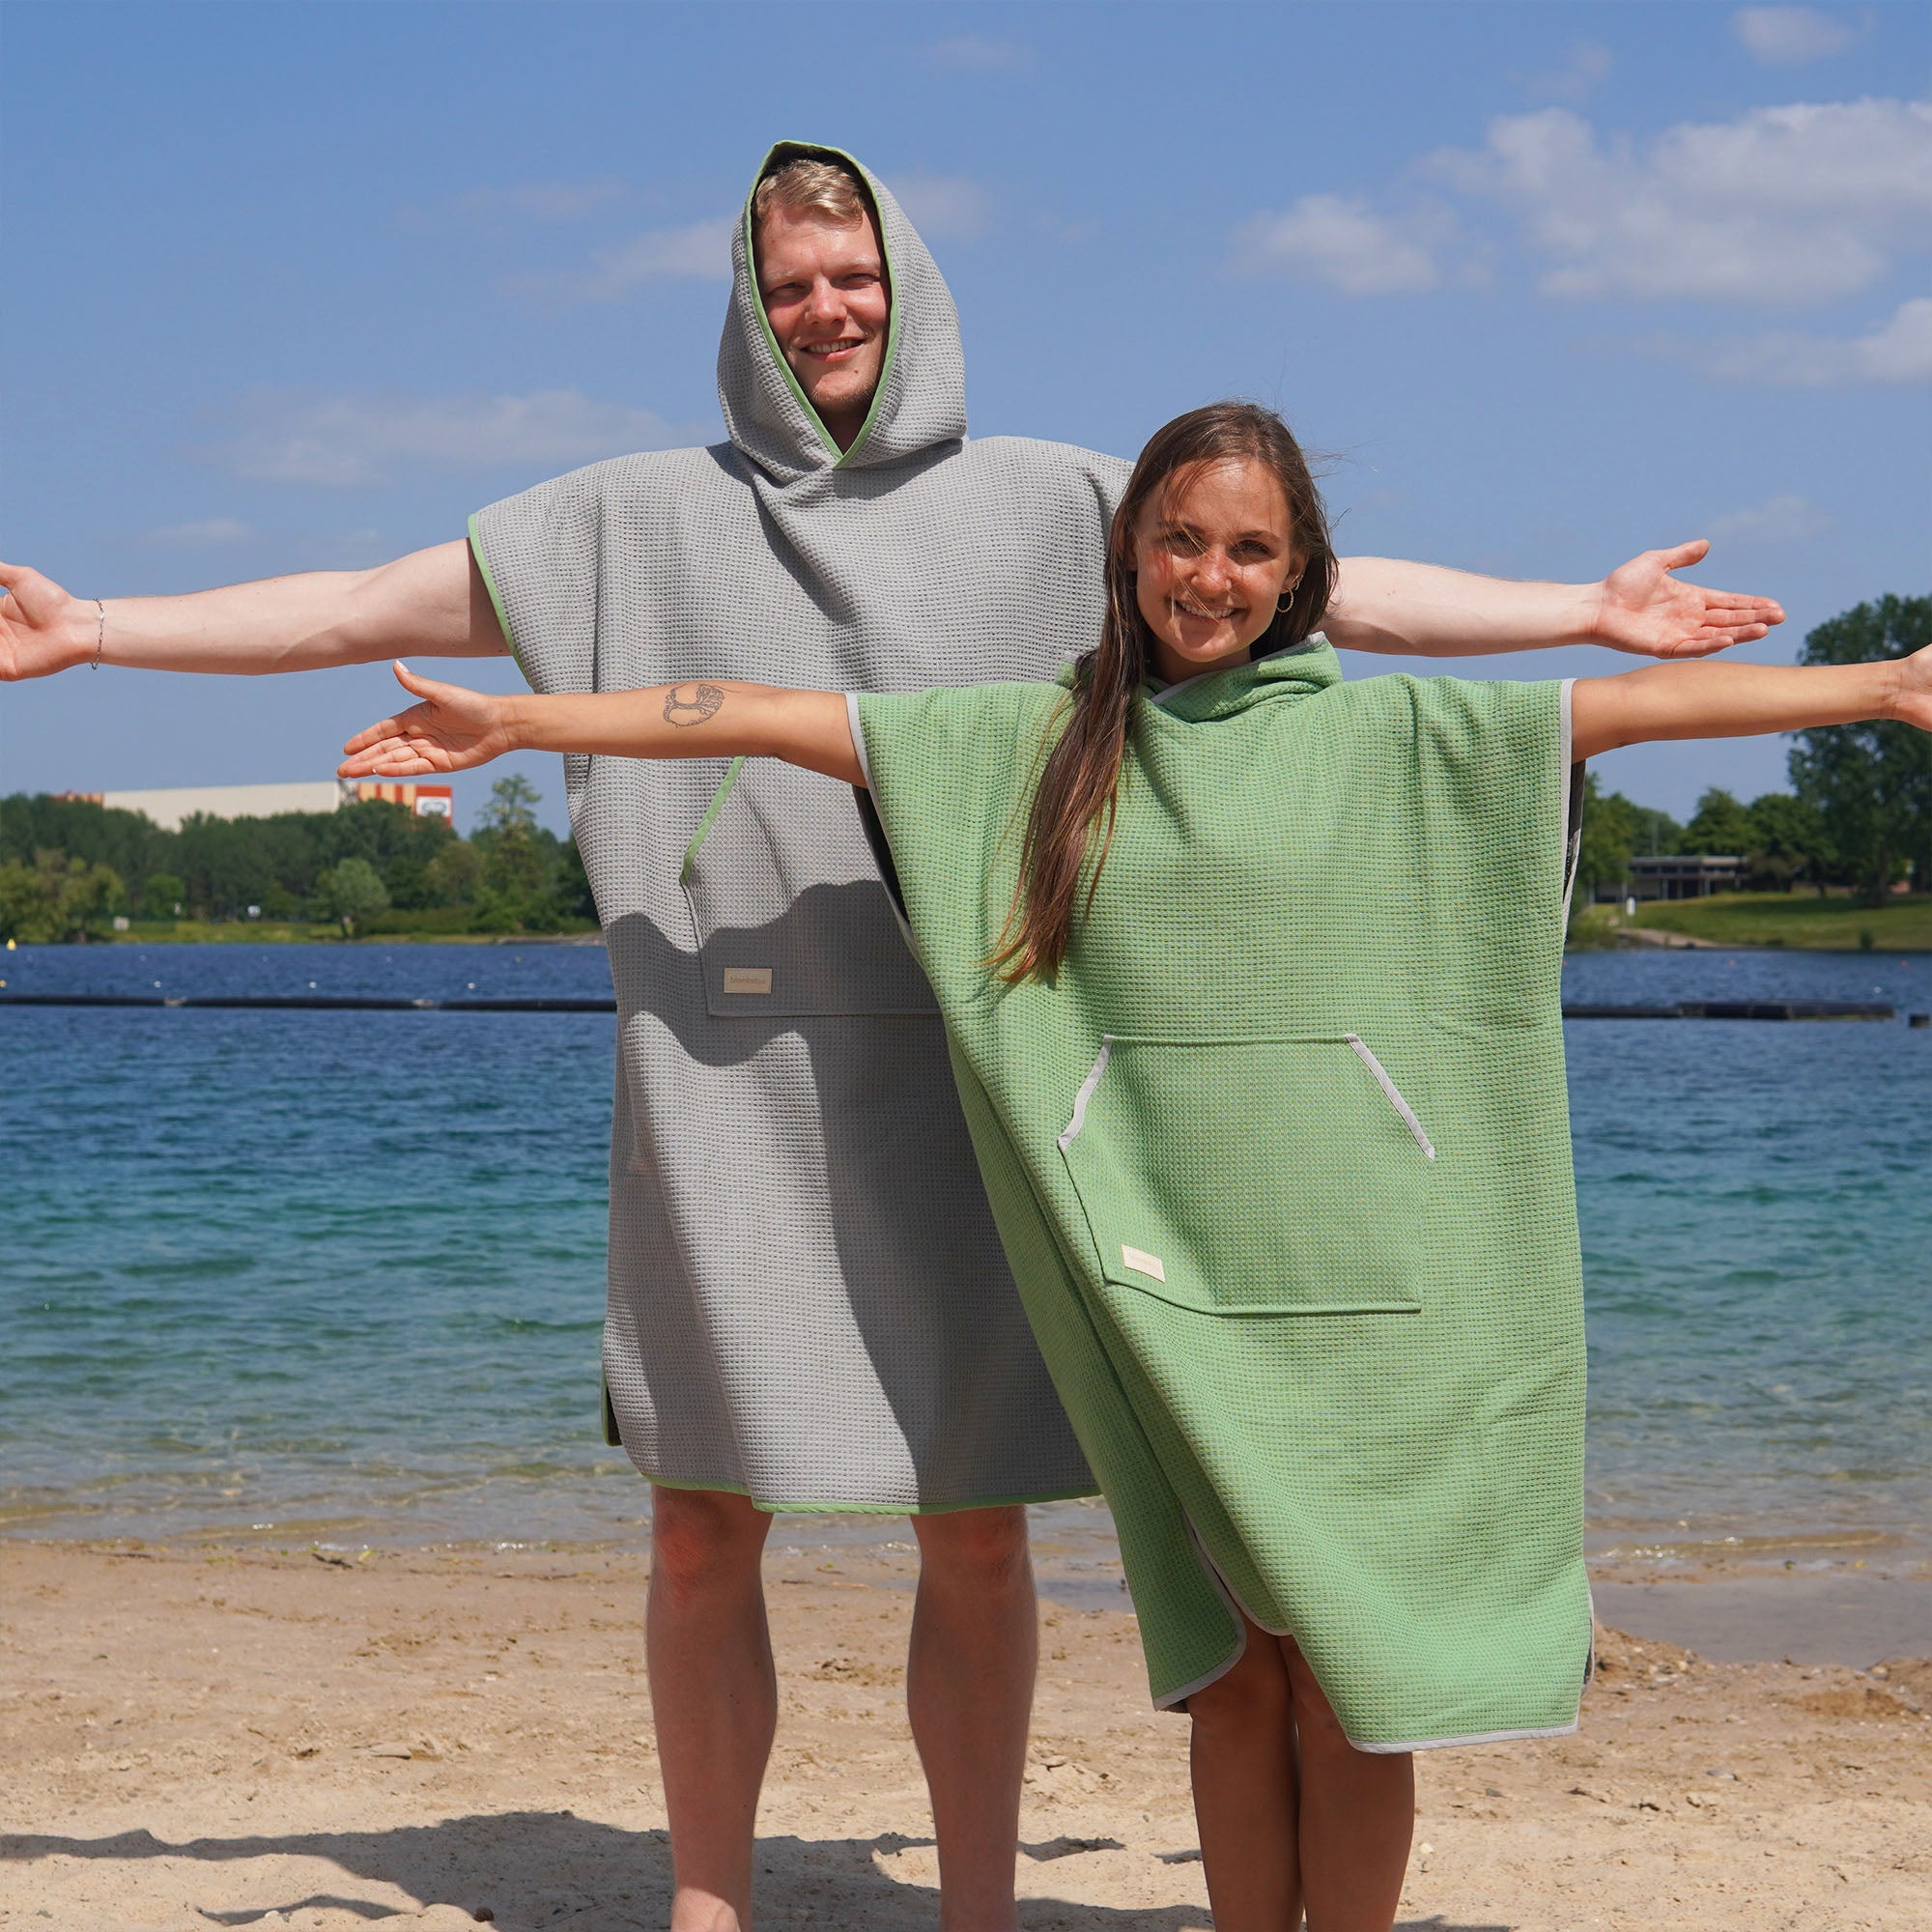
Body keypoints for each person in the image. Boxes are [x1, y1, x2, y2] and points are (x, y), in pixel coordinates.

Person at [2, 143, 1787, 1932]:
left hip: (983, 1061)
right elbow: (353, 608)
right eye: (790, 285)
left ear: (909, 286)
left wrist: (1579, 610)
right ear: (747, 302)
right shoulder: (630, 515)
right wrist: (95, 631)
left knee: (977, 1522)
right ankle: (712, 1903)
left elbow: (1308, 578)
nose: (825, 311)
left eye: (851, 278)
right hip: (716, 1068)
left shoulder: (1047, 497)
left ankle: (977, 1910)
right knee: (702, 1520)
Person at [335, 398, 1926, 1932]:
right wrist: (524, 720)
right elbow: (759, 711)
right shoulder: (1030, 747)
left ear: (1298, 572)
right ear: (1132, 551)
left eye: (1249, 548)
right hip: (1171, 1286)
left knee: (1358, 1679)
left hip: (1366, 1282)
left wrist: (1881, 688)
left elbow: (1630, 707)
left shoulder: (1403, 726)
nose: (1211, 578)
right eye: (1182, 540)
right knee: (1235, 1674)